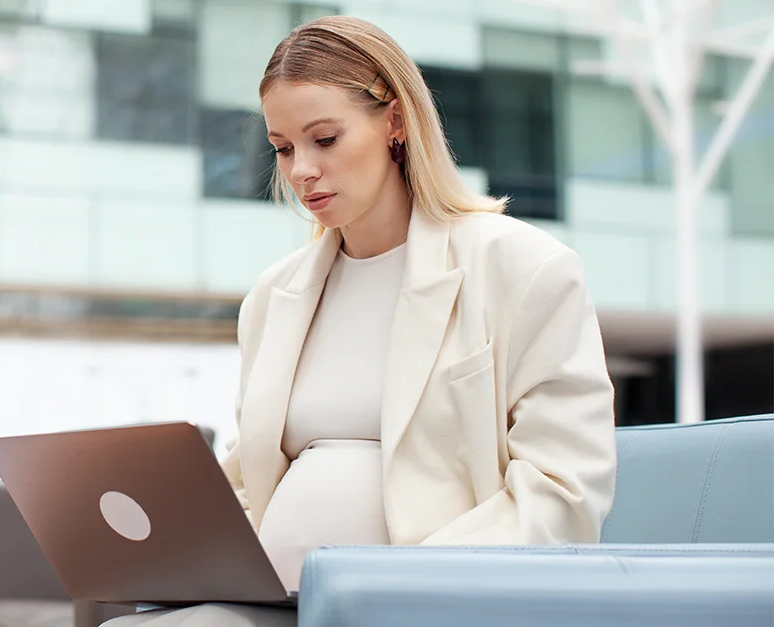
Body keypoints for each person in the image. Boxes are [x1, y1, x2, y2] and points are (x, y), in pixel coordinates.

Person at [107, 14, 616, 627]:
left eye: (325, 139)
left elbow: (563, 496)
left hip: (425, 603)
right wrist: (172, 552)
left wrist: (389, 582)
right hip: (274, 602)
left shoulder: (523, 267)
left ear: (395, 122)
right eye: (283, 148)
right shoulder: (275, 296)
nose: (300, 171)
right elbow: (247, 486)